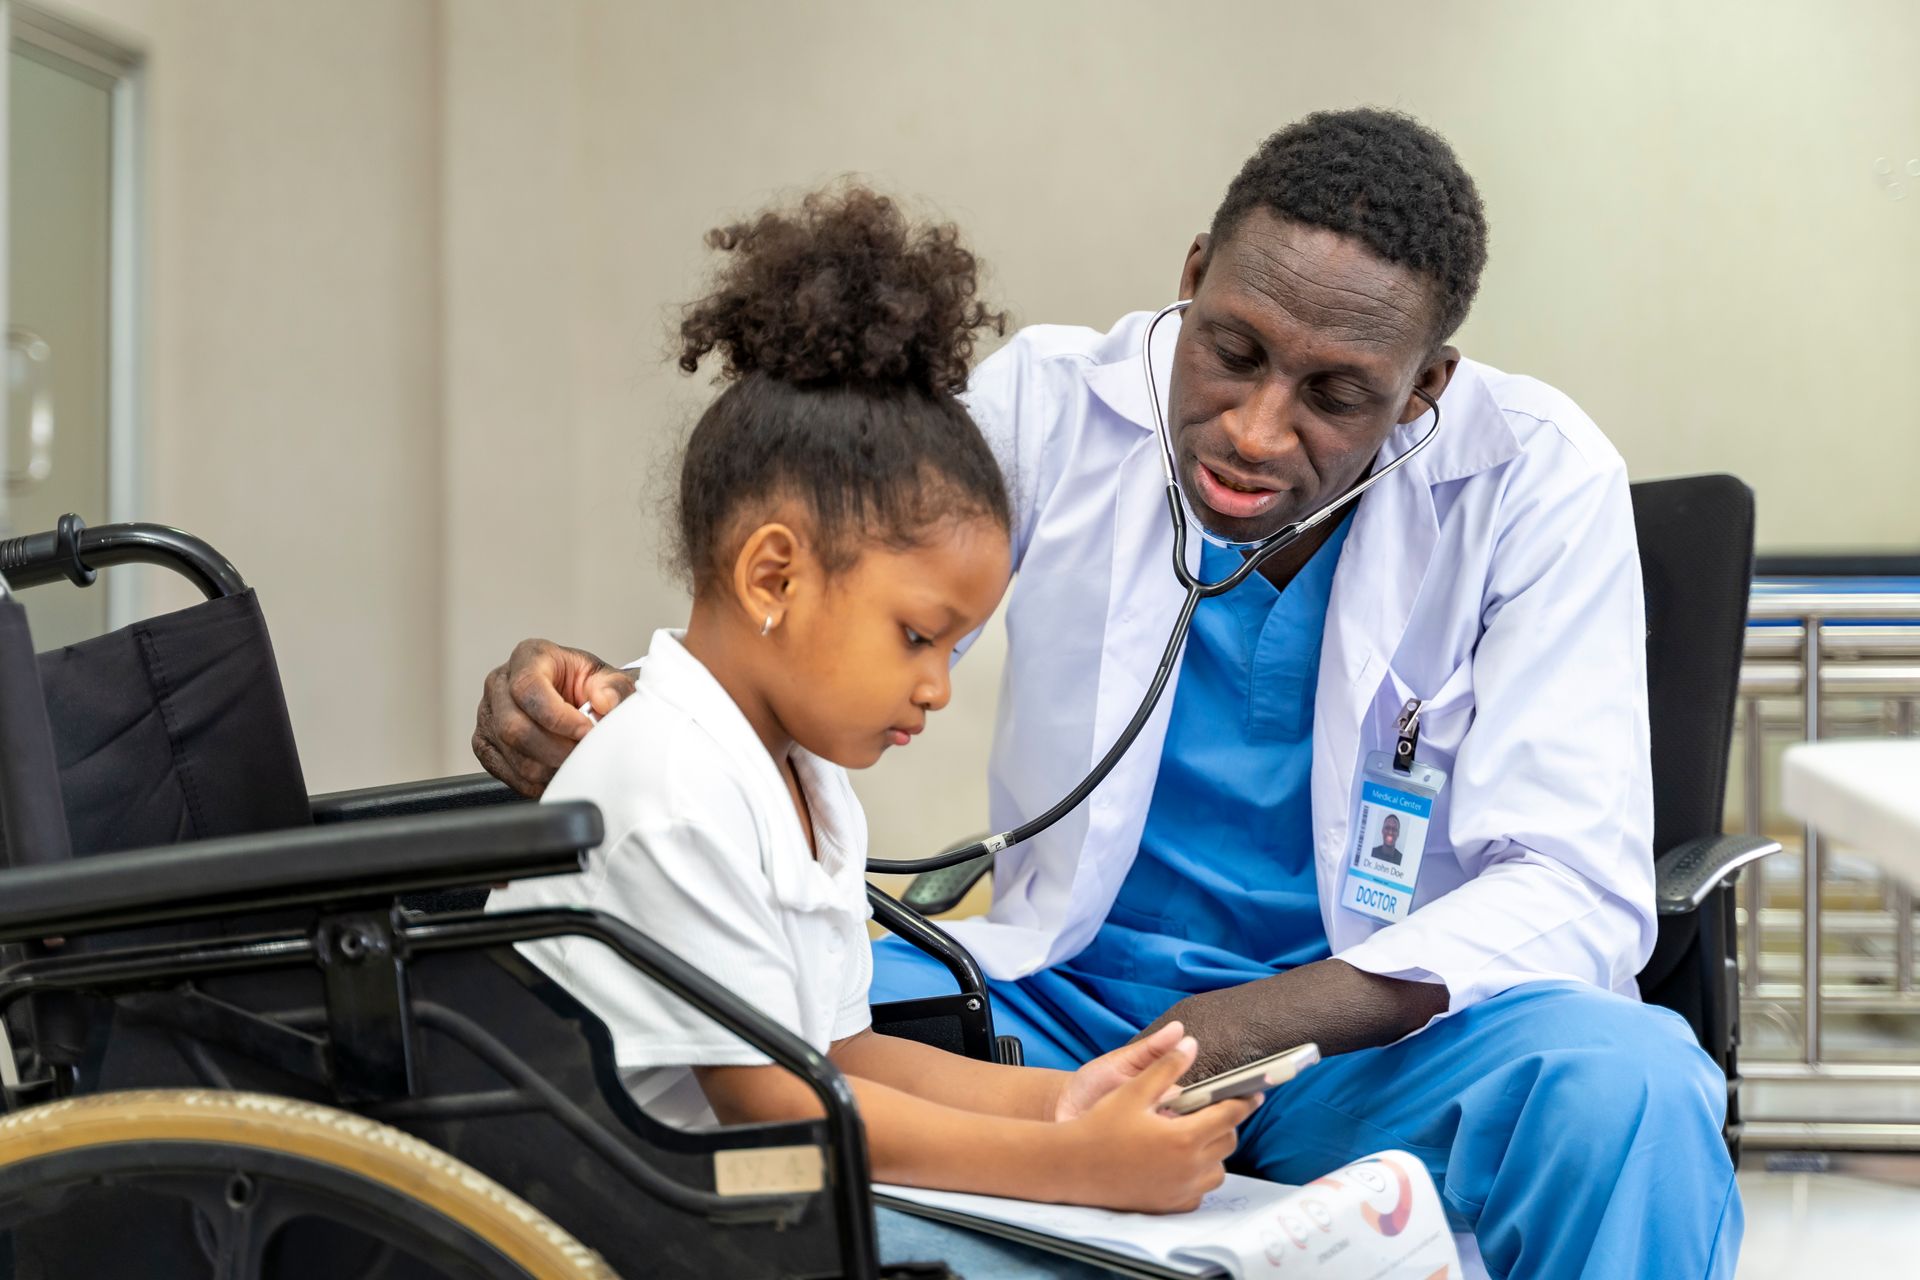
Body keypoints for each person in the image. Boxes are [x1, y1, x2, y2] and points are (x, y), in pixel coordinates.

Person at [474, 110, 1741, 1278]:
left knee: (1629, 1085)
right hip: (1053, 1003)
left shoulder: (1531, 482)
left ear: (1424, 390)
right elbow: (836, 608)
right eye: (1232, 350)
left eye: (1335, 393)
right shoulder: (1051, 405)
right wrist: (637, 704)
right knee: (741, 1013)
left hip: (1365, 1045)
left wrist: (1257, 1018)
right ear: (1191, 276)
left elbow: (1577, 885)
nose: (1254, 427)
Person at [488, 186, 1259, 1277]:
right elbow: (778, 1108)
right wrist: (1080, 1166)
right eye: (917, 636)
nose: (939, 688)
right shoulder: (667, 782)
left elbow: (843, 1052)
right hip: (639, 1216)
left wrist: (1072, 1102)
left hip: (748, 1185)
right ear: (773, 574)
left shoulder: (796, 775)